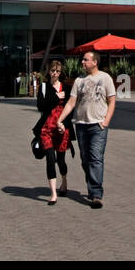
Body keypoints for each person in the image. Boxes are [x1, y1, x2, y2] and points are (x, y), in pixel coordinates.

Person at [55, 50, 115, 208]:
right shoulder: (79, 80)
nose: (82, 62)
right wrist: (60, 119)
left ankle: (96, 194)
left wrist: (106, 121)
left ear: (95, 62)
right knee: (85, 159)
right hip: (81, 124)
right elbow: (71, 102)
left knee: (96, 158)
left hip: (98, 126)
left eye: (85, 60)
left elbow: (112, 101)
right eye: (82, 60)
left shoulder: (105, 78)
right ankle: (92, 186)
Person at [36, 60, 73, 204]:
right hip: (47, 128)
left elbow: (71, 109)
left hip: (62, 128)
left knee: (61, 160)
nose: (55, 74)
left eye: (57, 71)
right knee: (50, 159)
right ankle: (53, 194)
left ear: (61, 72)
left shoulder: (67, 87)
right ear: (48, 72)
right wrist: (55, 97)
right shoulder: (44, 87)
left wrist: (65, 124)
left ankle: (64, 181)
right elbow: (41, 106)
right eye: (52, 71)